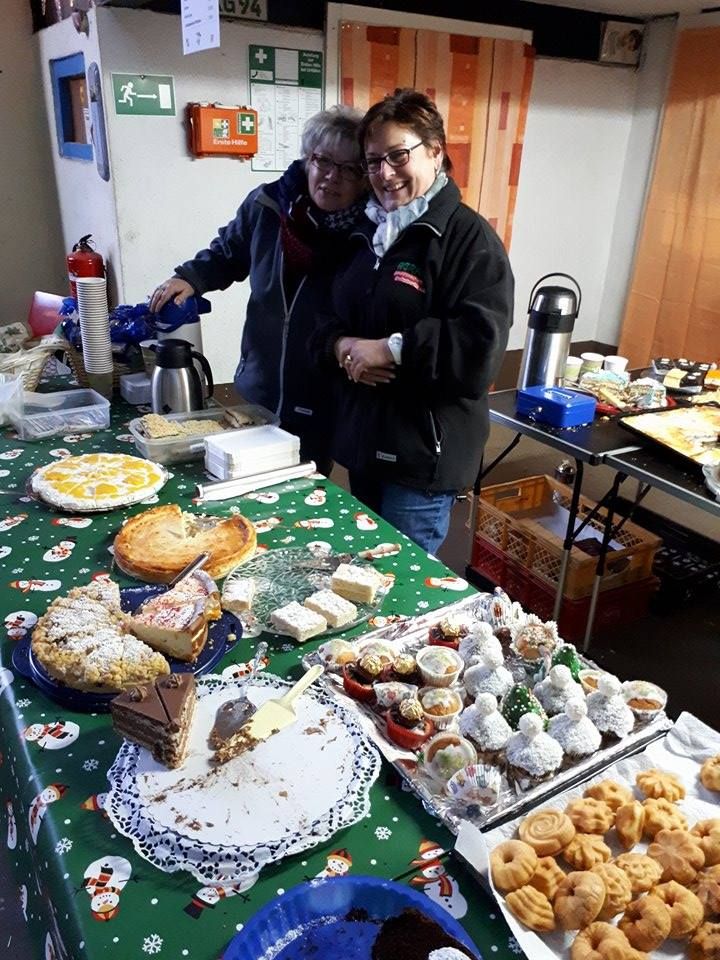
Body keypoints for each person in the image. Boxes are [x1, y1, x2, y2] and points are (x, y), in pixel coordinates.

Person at [312, 89, 514, 554]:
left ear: (436, 151)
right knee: (363, 567)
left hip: (423, 456)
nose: (384, 173)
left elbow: (477, 351)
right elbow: (325, 318)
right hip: (366, 442)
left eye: (398, 155)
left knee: (401, 583)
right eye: (372, 161)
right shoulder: (366, 230)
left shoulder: (468, 240)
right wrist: (341, 346)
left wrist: (390, 349)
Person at [149, 106, 366, 473]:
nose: (332, 176)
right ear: (306, 159)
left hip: (322, 393)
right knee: (242, 480)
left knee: (302, 492)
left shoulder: (368, 232)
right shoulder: (267, 205)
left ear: (365, 179)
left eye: (349, 169)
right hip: (260, 385)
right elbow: (228, 252)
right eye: (323, 161)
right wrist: (191, 277)